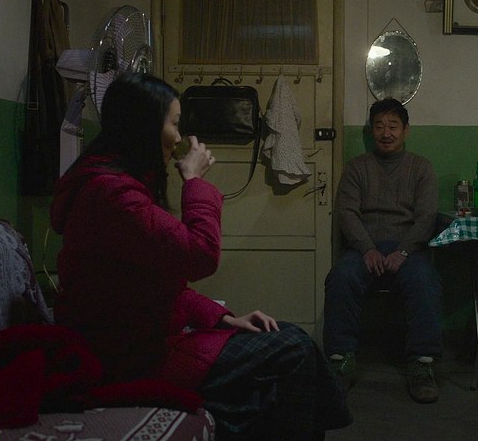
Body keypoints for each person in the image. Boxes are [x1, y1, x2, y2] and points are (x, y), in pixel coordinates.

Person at [50, 72, 351, 439]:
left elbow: (160, 283)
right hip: (126, 357)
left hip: (144, 340)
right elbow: (200, 256)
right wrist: (194, 182)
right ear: (144, 127)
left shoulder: (118, 185)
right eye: (174, 124)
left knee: (285, 334)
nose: (179, 138)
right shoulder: (111, 196)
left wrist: (225, 319)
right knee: (293, 350)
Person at [323, 98, 443, 404]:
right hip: (366, 247)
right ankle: (340, 359)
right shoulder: (357, 168)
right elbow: (347, 213)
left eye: (393, 126)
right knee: (341, 277)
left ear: (405, 130)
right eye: (379, 126)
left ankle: (422, 363)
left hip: (408, 249)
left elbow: (427, 216)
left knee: (425, 280)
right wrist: (367, 248)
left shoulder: (421, 168)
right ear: (371, 131)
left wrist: (403, 252)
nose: (386, 133)